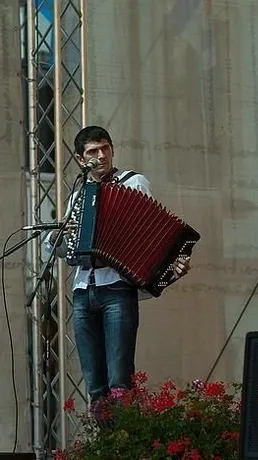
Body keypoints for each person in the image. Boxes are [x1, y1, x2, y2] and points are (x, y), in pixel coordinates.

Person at [44, 126, 191, 405]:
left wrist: (171, 264)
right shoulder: (78, 196)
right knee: (95, 384)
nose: (101, 156)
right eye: (92, 152)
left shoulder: (133, 183)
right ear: (80, 158)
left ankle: (123, 444)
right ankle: (106, 444)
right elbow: (65, 250)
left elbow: (152, 230)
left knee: (119, 382)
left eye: (105, 149)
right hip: (82, 290)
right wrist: (55, 237)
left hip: (117, 289)